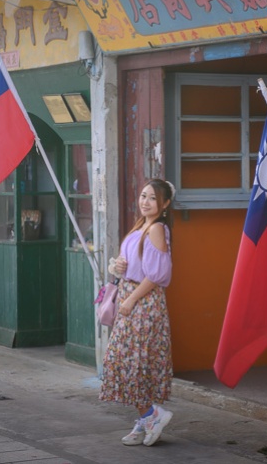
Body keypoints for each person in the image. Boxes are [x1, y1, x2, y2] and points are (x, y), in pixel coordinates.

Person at [99, 178, 175, 446]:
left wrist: (130, 300)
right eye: (143, 196)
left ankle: (151, 414)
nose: (145, 201)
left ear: (165, 204)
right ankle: (147, 419)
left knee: (130, 363)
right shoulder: (140, 227)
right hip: (132, 297)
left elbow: (156, 275)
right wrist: (120, 266)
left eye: (153, 198)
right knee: (129, 364)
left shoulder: (156, 229)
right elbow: (138, 265)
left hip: (142, 303)